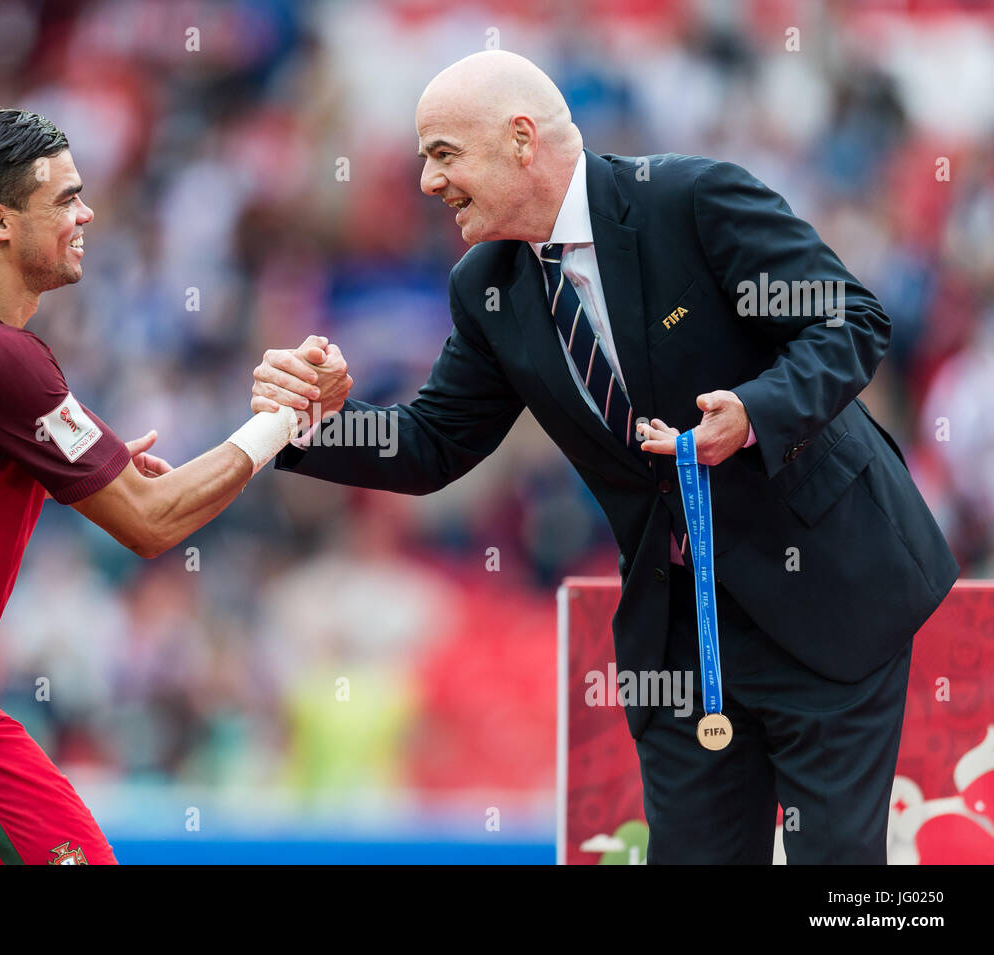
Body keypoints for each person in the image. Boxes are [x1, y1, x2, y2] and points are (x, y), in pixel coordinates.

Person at [252, 51, 960, 864]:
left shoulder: (692, 200)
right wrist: (310, 423)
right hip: (681, 638)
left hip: (828, 589)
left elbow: (848, 321)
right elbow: (433, 443)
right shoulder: (486, 287)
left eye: (442, 153)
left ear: (521, 140)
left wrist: (754, 413)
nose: (425, 182)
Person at [0, 107, 343, 864]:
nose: (86, 214)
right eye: (65, 198)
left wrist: (83, 465)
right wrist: (284, 419)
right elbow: (152, 523)